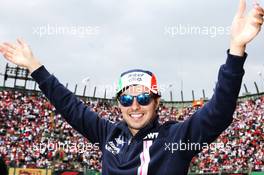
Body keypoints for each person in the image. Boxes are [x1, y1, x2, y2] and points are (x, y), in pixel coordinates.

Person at [0, 0, 263, 174]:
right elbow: (69, 105)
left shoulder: (175, 139)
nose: (135, 106)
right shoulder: (108, 134)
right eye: (127, 100)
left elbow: (219, 112)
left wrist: (236, 48)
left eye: (143, 98)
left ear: (157, 101)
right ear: (119, 104)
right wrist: (35, 66)